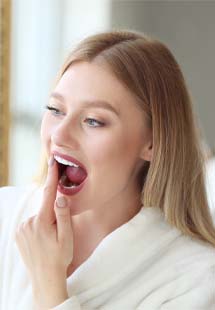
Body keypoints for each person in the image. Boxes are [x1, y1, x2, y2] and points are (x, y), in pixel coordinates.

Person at [0, 30, 215, 310]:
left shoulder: (195, 279)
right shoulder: (5, 215)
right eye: (55, 110)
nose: (59, 135)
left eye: (93, 121)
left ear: (153, 142)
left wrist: (48, 285)